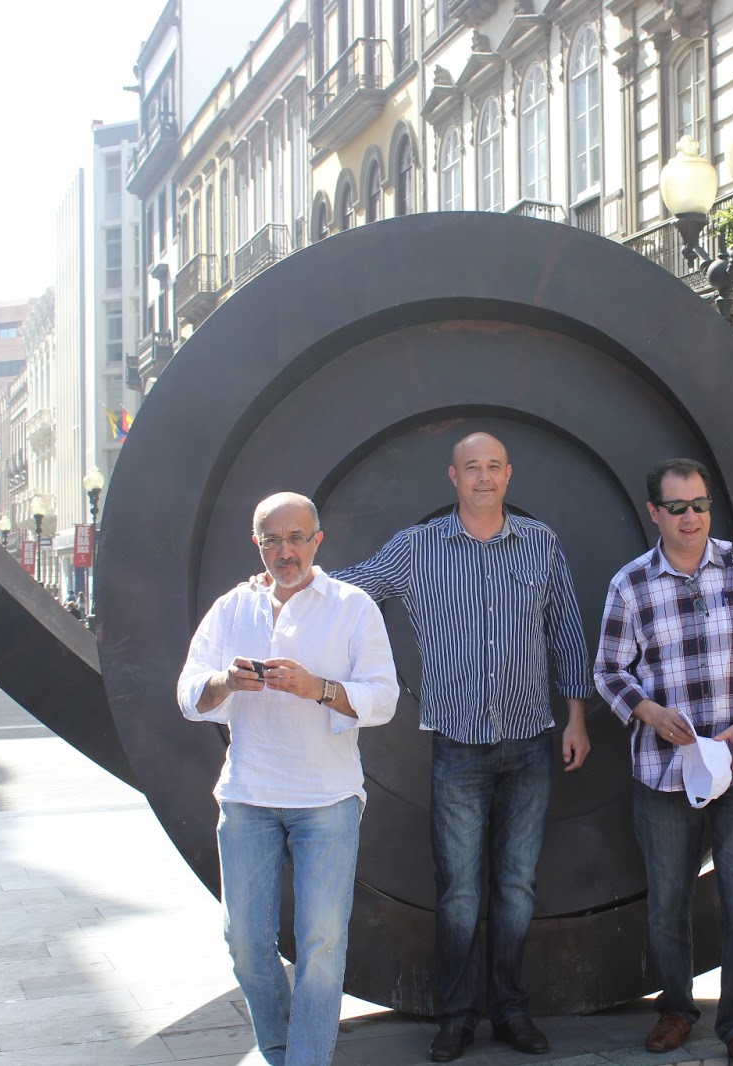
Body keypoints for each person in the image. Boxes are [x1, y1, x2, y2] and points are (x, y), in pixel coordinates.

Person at [325, 432, 591, 1063]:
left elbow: (568, 632)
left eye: (494, 466)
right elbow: (351, 589)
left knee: (517, 886)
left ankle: (511, 1009)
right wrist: (290, 576)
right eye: (472, 467)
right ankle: (456, 1015)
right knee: (460, 891)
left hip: (530, 741)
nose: (483, 477)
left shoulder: (541, 543)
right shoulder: (417, 548)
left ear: (509, 474)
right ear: (453, 477)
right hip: (457, 747)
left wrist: (576, 719)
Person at [178, 492, 399, 1066]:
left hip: (327, 800)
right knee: (245, 944)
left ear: (317, 541)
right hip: (247, 797)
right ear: (257, 544)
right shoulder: (232, 607)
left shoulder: (352, 606)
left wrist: (317, 688)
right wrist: (227, 682)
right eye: (273, 540)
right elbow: (188, 692)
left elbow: (384, 698)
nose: (286, 552)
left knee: (322, 946)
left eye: (297, 538)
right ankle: (281, 1052)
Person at [593, 458, 733, 1066]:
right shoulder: (631, 584)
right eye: (677, 508)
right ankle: (677, 1008)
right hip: (664, 768)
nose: (691, 518)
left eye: (700, 505)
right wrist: (649, 712)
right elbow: (609, 670)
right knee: (668, 901)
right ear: (654, 512)